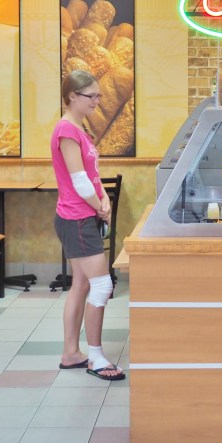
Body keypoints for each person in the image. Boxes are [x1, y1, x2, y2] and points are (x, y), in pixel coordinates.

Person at [52, 70, 125, 381]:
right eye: (91, 95)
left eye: (98, 95)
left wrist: (104, 198)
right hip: (77, 219)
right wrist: (99, 207)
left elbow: (91, 176)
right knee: (102, 285)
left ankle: (71, 353)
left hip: (81, 216)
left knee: (81, 285)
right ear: (72, 96)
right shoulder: (66, 130)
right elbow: (79, 180)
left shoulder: (79, 131)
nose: (97, 100)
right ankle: (95, 357)